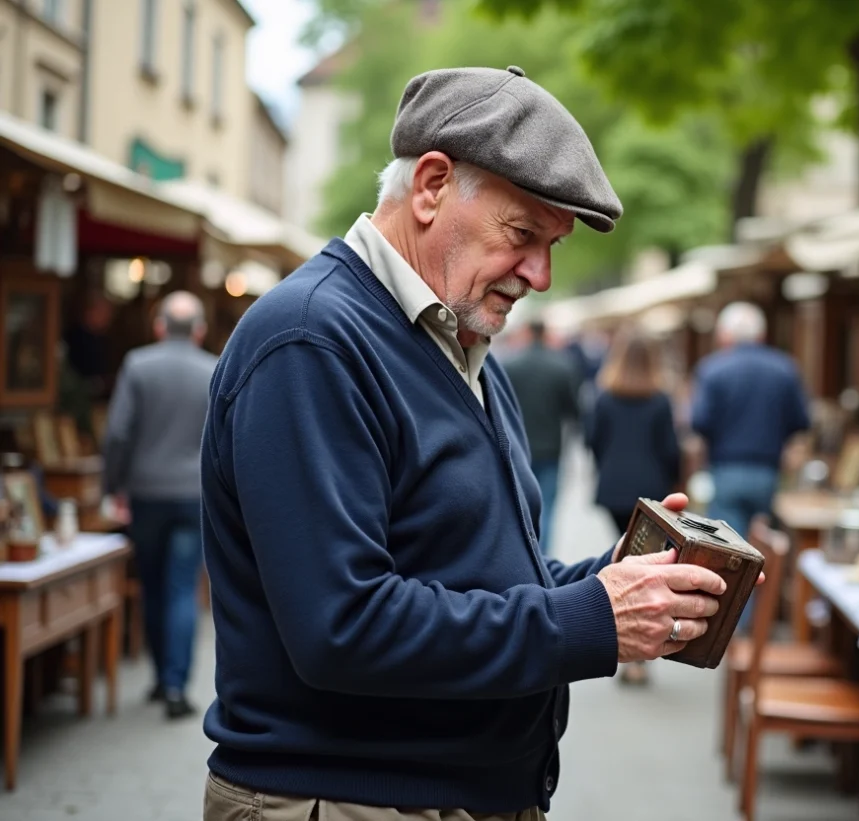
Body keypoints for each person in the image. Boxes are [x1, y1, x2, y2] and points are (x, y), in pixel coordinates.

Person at [199, 66, 743, 821]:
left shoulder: (459, 348)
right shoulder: (311, 338)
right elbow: (342, 627)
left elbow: (468, 567)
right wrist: (591, 616)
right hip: (346, 798)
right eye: (523, 235)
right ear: (430, 186)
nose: (542, 276)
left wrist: (613, 577)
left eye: (552, 245)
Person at [101, 290, 217, 719]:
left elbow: (117, 434)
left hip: (146, 493)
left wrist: (113, 486)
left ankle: (157, 675)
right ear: (200, 331)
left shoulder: (138, 365)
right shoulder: (213, 369)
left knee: (151, 584)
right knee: (182, 587)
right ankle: (175, 685)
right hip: (192, 496)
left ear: (159, 326)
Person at [690, 301, 810, 626]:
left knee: (729, 553)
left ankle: (731, 626)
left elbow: (699, 421)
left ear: (726, 336)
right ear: (762, 335)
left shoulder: (713, 368)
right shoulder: (785, 368)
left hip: (727, 470)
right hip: (768, 472)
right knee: (762, 549)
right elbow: (801, 420)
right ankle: (754, 624)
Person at [585, 329, 681, 686]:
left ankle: (628, 647)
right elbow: (671, 449)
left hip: (613, 488)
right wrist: (674, 480)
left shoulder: (606, 396)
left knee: (625, 559)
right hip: (652, 491)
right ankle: (639, 655)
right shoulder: (659, 399)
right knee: (649, 568)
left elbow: (592, 440)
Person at [501, 318, 580, 555]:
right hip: (551, 448)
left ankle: (524, 555)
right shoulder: (561, 366)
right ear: (545, 334)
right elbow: (573, 411)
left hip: (516, 448)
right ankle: (542, 558)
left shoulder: (510, 365)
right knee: (548, 507)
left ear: (526, 333)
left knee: (519, 506)